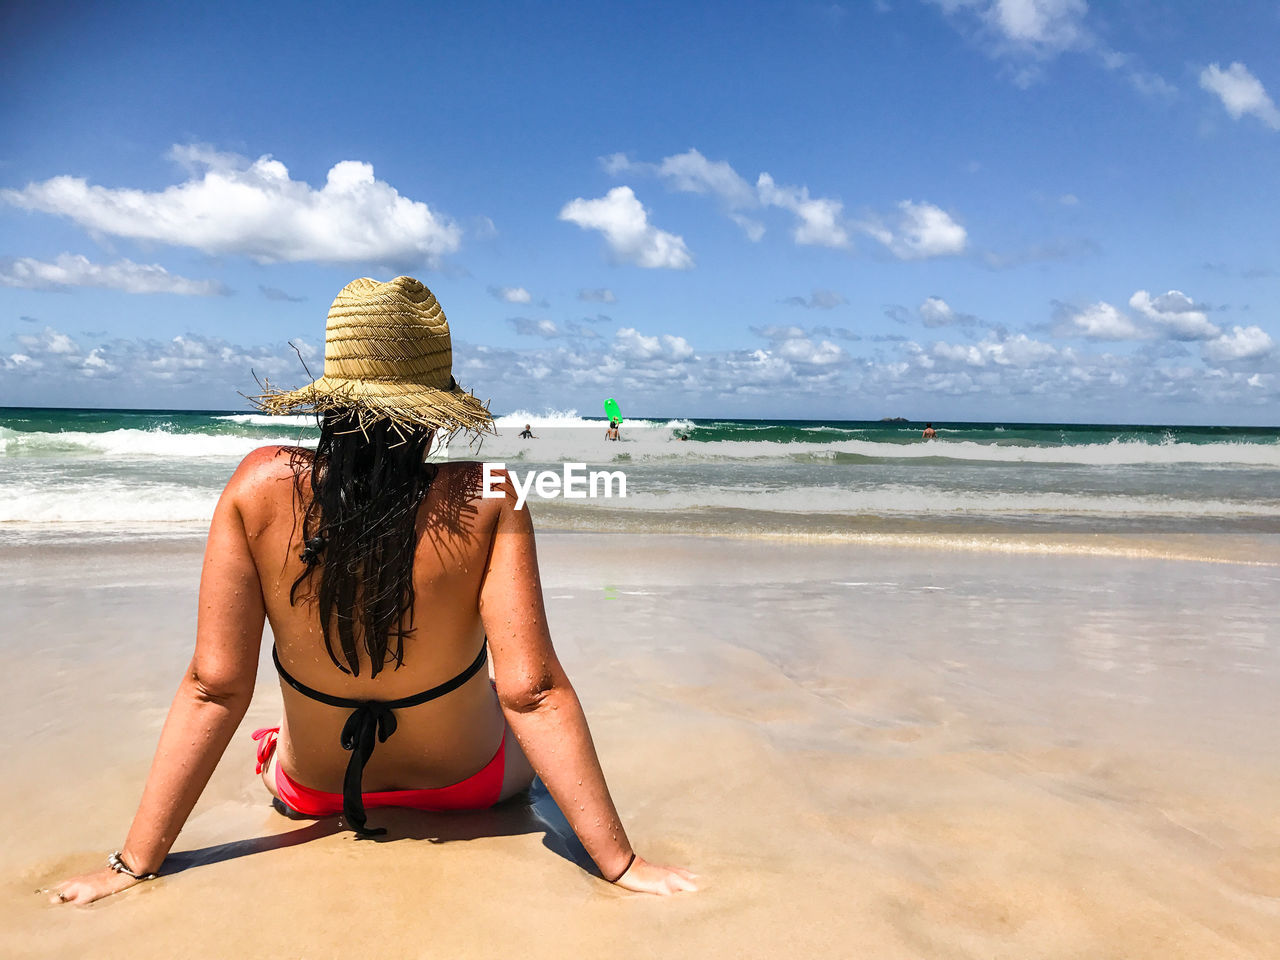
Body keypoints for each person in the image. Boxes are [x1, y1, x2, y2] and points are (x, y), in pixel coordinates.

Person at [49, 276, 696, 905]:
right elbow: (534, 692)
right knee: (500, 693)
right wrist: (621, 863)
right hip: (471, 785)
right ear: (436, 400)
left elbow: (214, 687)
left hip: (313, 793)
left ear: (331, 392)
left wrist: (132, 864)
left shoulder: (256, 489)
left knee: (285, 731)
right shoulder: (488, 493)